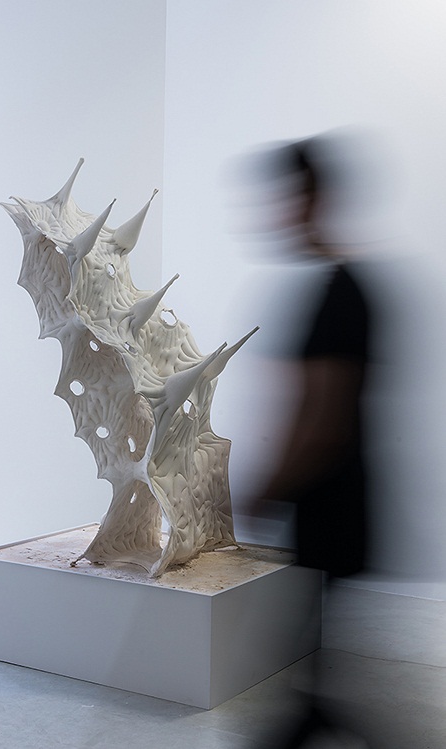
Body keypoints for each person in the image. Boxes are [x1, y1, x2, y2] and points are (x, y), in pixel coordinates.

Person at [245, 136, 373, 747]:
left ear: (312, 197)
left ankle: (310, 717)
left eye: (287, 196)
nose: (277, 211)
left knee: (302, 636)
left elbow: (323, 416)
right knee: (311, 648)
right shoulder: (340, 287)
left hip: (331, 499)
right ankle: (313, 713)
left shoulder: (340, 294)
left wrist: (268, 487)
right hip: (329, 498)